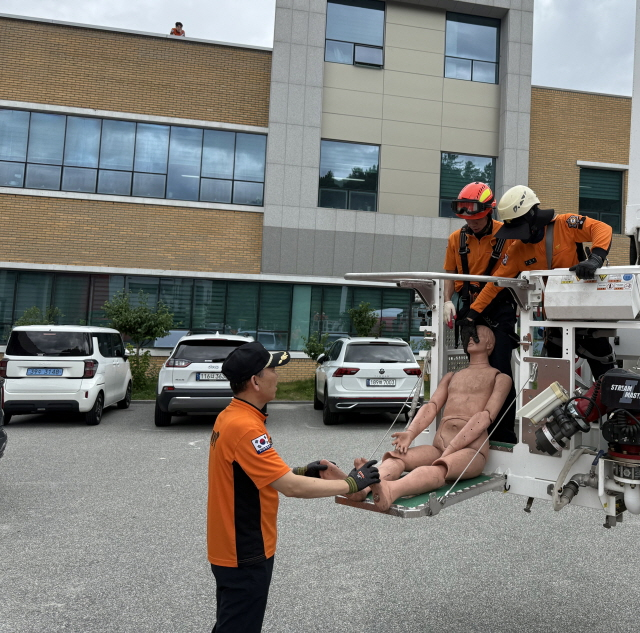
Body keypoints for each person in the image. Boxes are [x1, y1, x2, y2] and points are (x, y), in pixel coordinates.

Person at [207, 341, 379, 633]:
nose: (278, 374)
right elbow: (291, 488)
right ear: (255, 381)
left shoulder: (233, 415)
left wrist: (302, 470)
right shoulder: (246, 427)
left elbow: (251, 473)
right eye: (272, 368)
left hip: (232, 545)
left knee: (232, 623)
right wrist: (352, 483)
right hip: (245, 549)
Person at [459, 184, 617, 380]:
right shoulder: (517, 249)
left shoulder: (565, 225)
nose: (518, 235)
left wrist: (595, 258)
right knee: (553, 380)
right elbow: (495, 284)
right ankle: (560, 411)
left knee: (604, 371)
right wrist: (471, 316)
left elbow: (601, 228)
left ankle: (614, 408)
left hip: (588, 313)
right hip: (556, 318)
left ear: (532, 216)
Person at [345, 325, 511, 512]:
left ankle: (390, 491)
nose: (470, 338)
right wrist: (410, 433)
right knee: (398, 457)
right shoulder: (452, 376)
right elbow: (431, 406)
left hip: (471, 450)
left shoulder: (500, 378)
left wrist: (453, 448)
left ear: (490, 343)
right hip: (439, 446)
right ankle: (363, 486)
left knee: (439, 469)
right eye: (467, 335)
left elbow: (485, 417)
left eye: (476, 335)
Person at [441, 181, 518, 442]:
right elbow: (449, 274)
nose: (472, 223)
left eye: (477, 217)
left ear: (489, 211)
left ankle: (504, 433)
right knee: (475, 371)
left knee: (499, 370)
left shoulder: (507, 236)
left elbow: (506, 276)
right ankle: (475, 428)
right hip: (467, 307)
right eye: (467, 218)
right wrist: (446, 300)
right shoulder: (456, 239)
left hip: (498, 308)